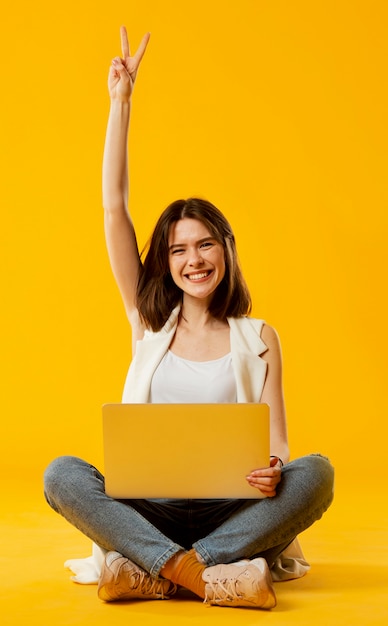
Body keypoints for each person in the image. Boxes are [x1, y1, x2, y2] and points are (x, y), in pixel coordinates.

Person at [44, 26, 334, 609]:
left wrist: (273, 470)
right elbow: (113, 207)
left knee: (317, 472)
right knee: (62, 474)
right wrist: (120, 105)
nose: (193, 260)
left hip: (232, 510)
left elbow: (277, 441)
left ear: (225, 250)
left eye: (204, 245)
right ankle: (205, 575)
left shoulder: (259, 338)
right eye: (178, 250)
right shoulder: (148, 323)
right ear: (165, 262)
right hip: (151, 507)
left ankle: (159, 570)